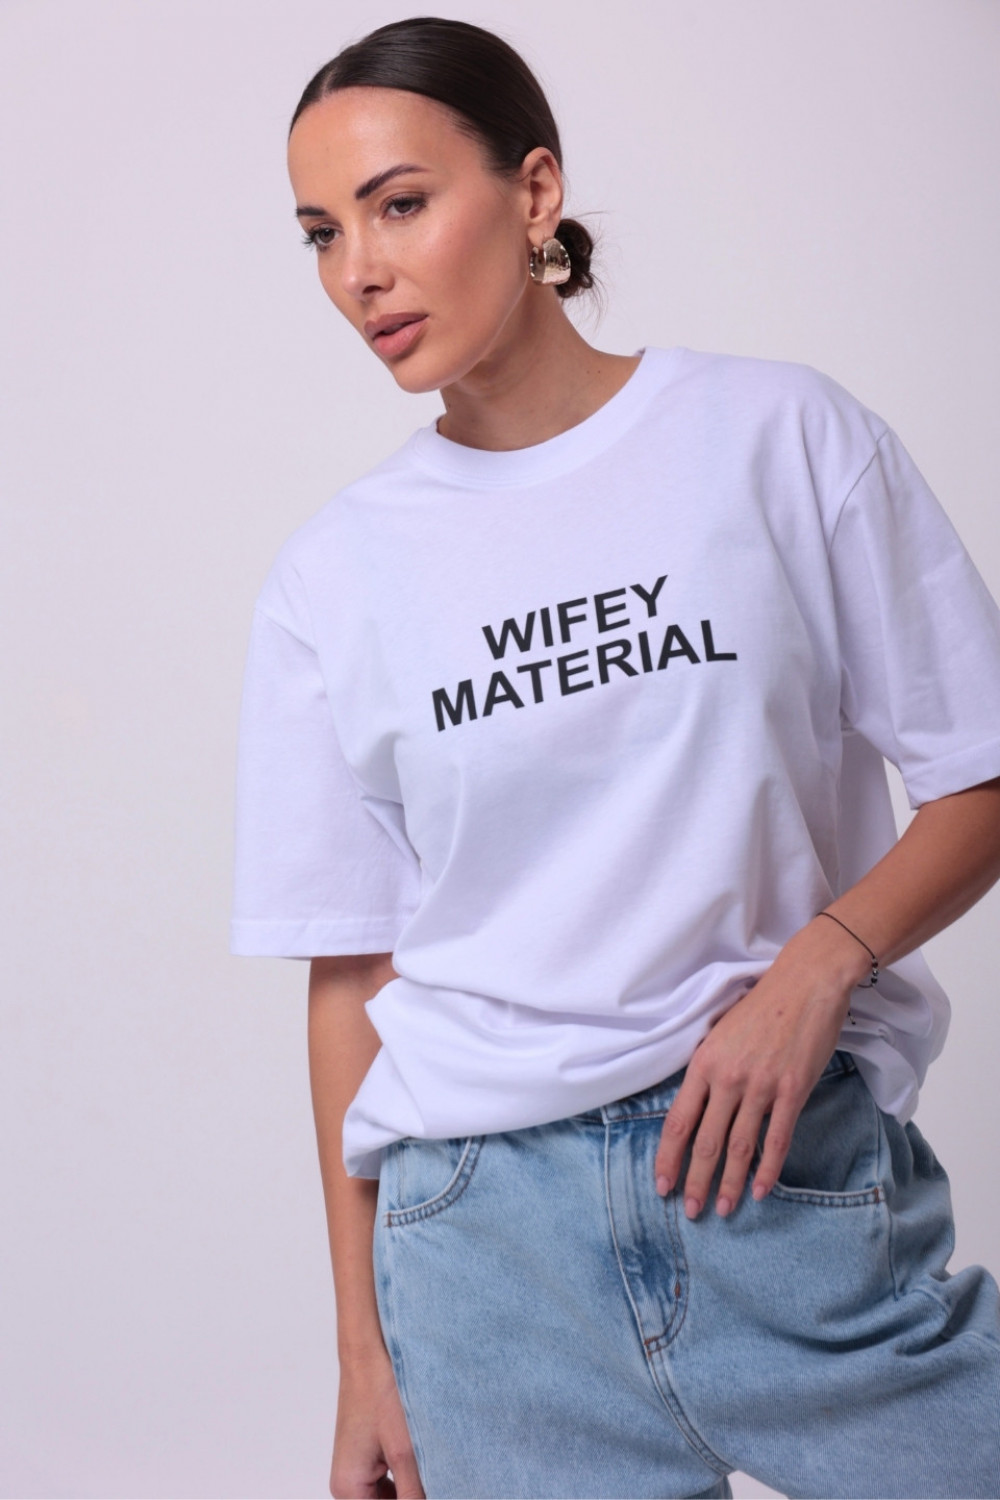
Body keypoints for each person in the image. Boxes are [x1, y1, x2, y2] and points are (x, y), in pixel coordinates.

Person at [231, 17, 1000, 1499]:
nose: (359, 272)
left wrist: (820, 963)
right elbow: (351, 974)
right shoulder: (333, 578)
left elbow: (981, 772)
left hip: (781, 1183)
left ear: (534, 194)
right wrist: (363, 1356)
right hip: (485, 1254)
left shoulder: (778, 436)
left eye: (400, 204)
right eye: (322, 233)